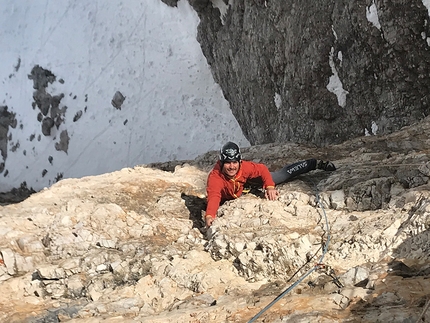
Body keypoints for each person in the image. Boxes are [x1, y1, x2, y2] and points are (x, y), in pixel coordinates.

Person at [205, 141, 336, 227]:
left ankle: (312, 164)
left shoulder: (245, 167)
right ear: (222, 163)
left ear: (239, 161)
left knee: (280, 176)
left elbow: (262, 169)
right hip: (240, 189)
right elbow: (214, 196)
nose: (232, 166)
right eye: (228, 163)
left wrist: (269, 187)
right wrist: (210, 215)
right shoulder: (216, 178)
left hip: (247, 183)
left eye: (235, 162)